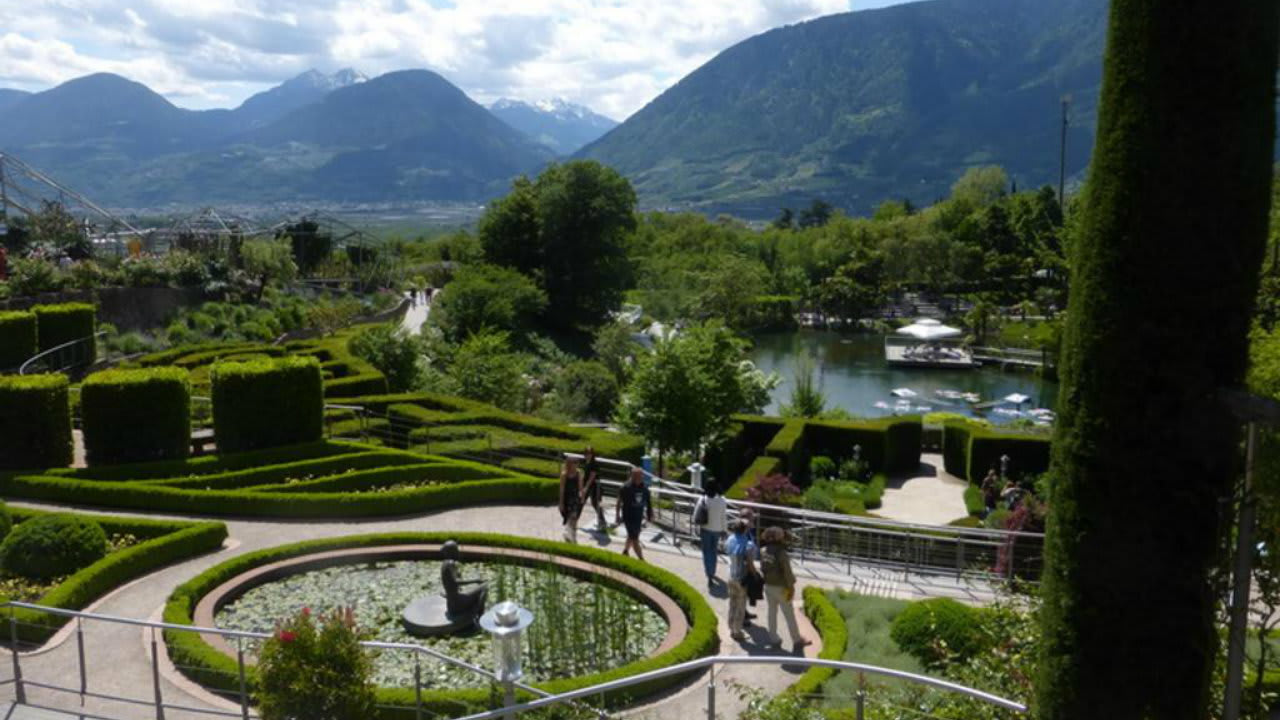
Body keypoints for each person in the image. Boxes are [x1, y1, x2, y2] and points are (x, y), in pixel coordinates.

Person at [759, 526, 811, 650]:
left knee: (771, 613)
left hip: (768, 586)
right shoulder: (782, 553)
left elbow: (762, 568)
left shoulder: (763, 551)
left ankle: (774, 639)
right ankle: (797, 640)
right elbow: (787, 572)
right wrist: (792, 587)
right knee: (789, 614)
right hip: (782, 588)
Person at [440, 540, 488, 625]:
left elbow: (450, 584)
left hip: (451, 606)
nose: (458, 551)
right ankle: (479, 615)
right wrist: (476, 580)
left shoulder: (444, 564)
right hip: (458, 604)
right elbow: (456, 582)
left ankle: (475, 611)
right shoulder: (451, 563)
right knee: (484, 587)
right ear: (452, 552)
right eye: (456, 549)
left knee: (472, 592)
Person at [726, 519, 758, 642]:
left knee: (732, 603)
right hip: (741, 578)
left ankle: (731, 627)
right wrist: (755, 575)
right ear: (745, 530)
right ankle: (737, 632)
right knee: (740, 605)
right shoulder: (748, 544)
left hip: (730, 575)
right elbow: (750, 563)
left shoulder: (730, 540)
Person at [693, 482, 728, 586]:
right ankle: (712, 571)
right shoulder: (722, 500)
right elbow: (723, 517)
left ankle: (709, 574)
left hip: (705, 529)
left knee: (706, 552)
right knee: (713, 552)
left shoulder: (703, 499)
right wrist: (724, 530)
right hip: (717, 530)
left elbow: (695, 515)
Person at [616, 466, 652, 560]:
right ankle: (642, 560)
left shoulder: (644, 487)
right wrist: (617, 515)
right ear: (632, 476)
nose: (640, 478)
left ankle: (625, 552)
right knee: (635, 539)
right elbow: (619, 501)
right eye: (638, 476)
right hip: (628, 516)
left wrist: (649, 514)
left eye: (641, 476)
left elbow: (648, 501)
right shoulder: (625, 487)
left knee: (632, 536)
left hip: (638, 516)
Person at [581, 447, 607, 531]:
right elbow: (585, 475)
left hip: (595, 486)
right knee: (583, 501)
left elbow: (592, 477)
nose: (588, 455)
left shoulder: (594, 464)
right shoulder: (586, 462)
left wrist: (585, 488)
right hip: (589, 486)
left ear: (592, 454)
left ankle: (602, 522)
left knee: (595, 503)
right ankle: (602, 521)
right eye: (586, 453)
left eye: (589, 453)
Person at [559, 456, 583, 543]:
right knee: (568, 516)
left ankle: (573, 535)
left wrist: (582, 497)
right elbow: (562, 489)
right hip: (567, 498)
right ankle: (568, 533)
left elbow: (580, 486)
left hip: (575, 498)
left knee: (574, 517)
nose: (577, 464)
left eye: (577, 463)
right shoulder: (564, 474)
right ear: (570, 464)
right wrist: (561, 502)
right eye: (575, 462)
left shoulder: (579, 473)